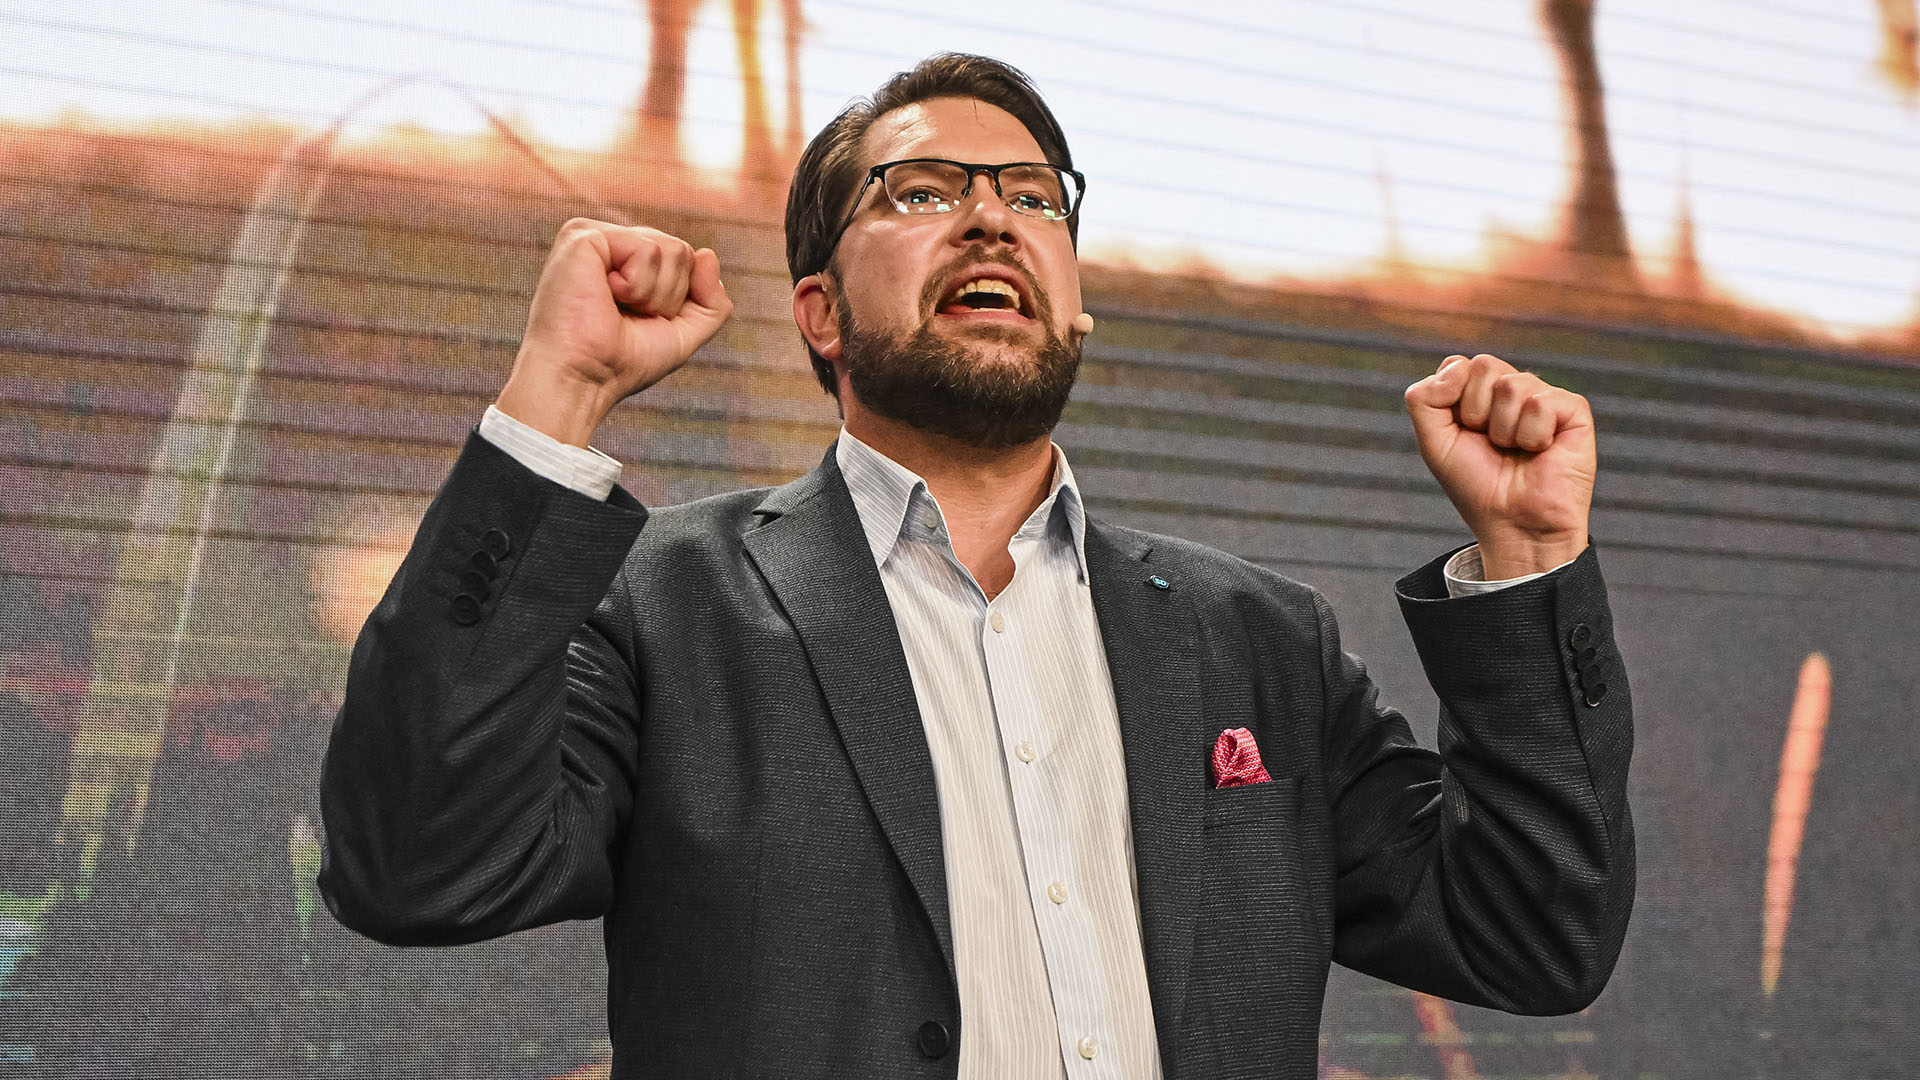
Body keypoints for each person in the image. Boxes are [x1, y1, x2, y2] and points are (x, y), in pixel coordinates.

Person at [319, 53, 1633, 1080]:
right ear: (821, 314)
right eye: (923, 192)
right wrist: (557, 396)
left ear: (1076, 300)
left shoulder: (1258, 640)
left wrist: (1528, 556)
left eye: (1033, 197)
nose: (992, 218)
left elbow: (1530, 936)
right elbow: (418, 867)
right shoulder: (668, 604)